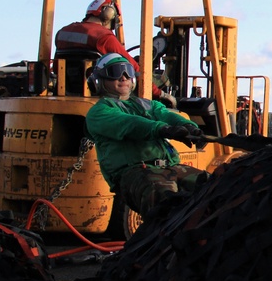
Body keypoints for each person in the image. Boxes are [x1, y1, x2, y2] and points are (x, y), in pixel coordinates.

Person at [85, 53, 205, 218]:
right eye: (115, 72)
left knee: (214, 187)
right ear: (99, 81)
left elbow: (165, 114)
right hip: (136, 172)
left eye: (127, 71)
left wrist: (189, 126)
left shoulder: (146, 104)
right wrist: (163, 129)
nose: (124, 77)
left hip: (170, 166)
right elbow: (129, 124)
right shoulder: (99, 112)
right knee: (167, 205)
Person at [55, 0, 176, 107]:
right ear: (108, 15)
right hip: (100, 92)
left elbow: (56, 66)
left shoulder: (63, 32)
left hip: (67, 89)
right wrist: (159, 94)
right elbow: (133, 70)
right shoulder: (104, 37)